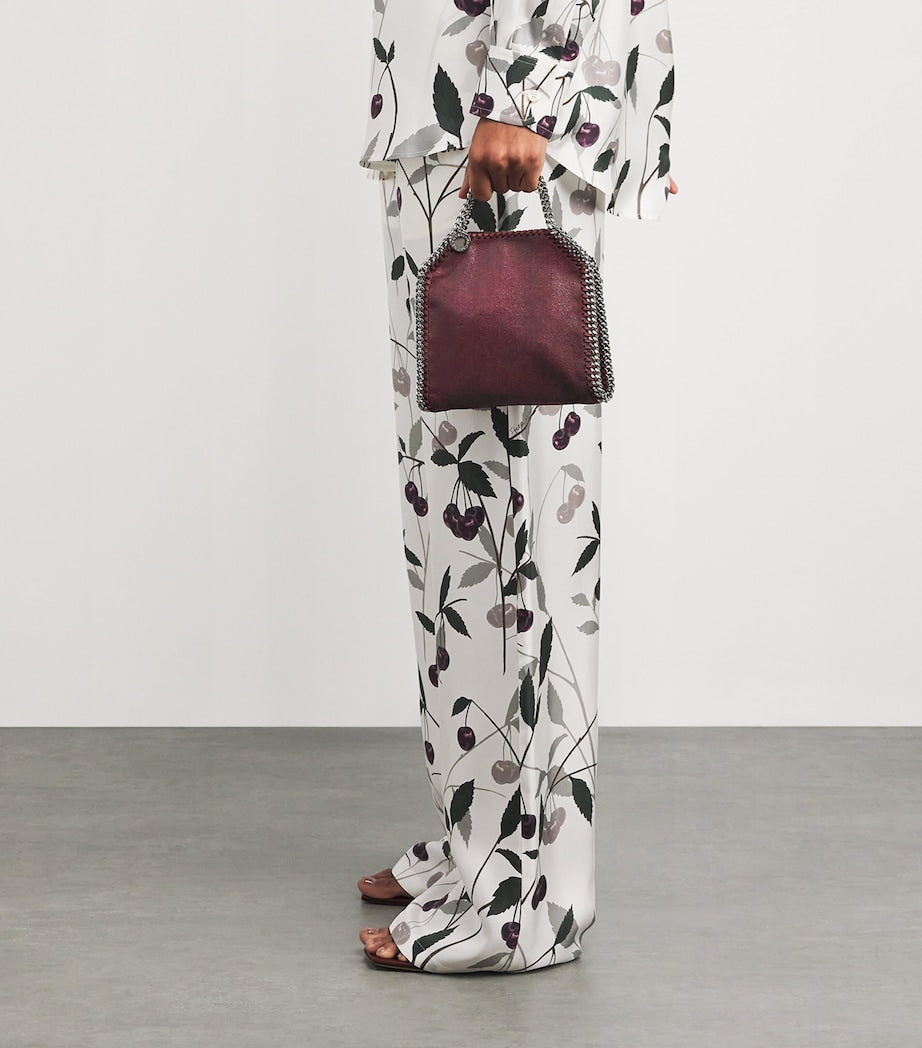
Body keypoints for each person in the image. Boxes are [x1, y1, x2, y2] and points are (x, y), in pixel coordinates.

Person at [355, 0, 677, 973]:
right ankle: (483, 841)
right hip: (455, 103)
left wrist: (521, 93)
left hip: (494, 109)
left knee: (499, 516)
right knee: (458, 514)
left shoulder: (508, 108)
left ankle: (518, 899)